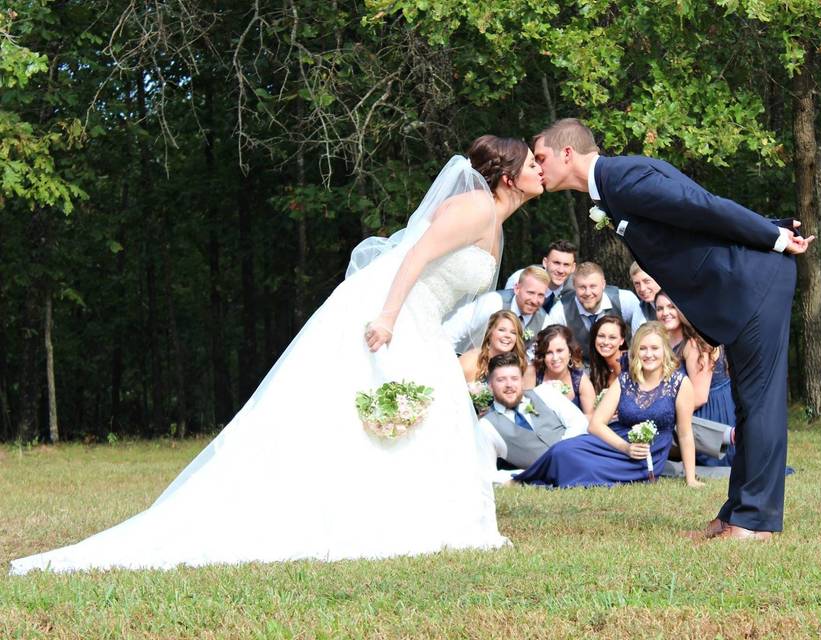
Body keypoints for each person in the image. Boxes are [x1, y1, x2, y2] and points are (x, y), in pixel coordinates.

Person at [10, 135, 544, 574]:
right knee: (369, 413)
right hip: (394, 311)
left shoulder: (495, 222)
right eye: (532, 165)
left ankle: (422, 518)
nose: (539, 172)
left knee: (431, 416)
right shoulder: (473, 207)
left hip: (421, 321)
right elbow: (415, 257)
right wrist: (385, 318)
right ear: (506, 174)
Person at [533, 118, 814, 541]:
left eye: (541, 158)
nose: (537, 168)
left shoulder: (623, 179)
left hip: (753, 281)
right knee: (748, 403)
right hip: (739, 288)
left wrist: (771, 234)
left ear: (566, 154)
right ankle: (736, 512)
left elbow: (700, 205)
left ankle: (755, 522)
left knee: (761, 403)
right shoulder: (613, 186)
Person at [513, 322, 703, 488]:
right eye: (643, 348)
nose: (649, 354)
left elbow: (685, 434)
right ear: (636, 351)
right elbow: (595, 424)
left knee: (588, 469)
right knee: (563, 450)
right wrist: (625, 447)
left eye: (655, 348)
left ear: (665, 350)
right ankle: (523, 479)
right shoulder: (626, 380)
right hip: (616, 443)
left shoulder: (679, 383)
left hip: (645, 456)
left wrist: (690, 478)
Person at [655, 290, 735, 467]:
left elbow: (699, 397)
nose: (665, 313)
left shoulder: (696, 343)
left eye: (671, 307)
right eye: (659, 308)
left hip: (710, 410)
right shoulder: (664, 341)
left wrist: (661, 413)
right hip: (684, 407)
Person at [476, 352, 588, 470]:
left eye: (514, 379)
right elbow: (487, 472)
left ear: (522, 381)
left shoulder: (545, 392)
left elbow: (580, 423)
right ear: (490, 386)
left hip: (583, 455)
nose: (509, 385)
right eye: (501, 380)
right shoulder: (487, 426)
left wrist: (560, 452)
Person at [544, 261, 646, 352]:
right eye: (582, 287)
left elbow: (644, 332)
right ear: (574, 286)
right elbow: (549, 346)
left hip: (620, 364)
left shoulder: (624, 299)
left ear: (603, 284)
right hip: (581, 367)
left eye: (593, 286)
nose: (588, 293)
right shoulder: (560, 310)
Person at [444, 266, 550, 353]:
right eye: (530, 293)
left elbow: (533, 361)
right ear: (517, 289)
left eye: (540, 295)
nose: (535, 300)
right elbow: (452, 331)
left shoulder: (544, 322)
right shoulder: (493, 302)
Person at [522, 325, 596, 418]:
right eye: (549, 352)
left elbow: (592, 417)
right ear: (542, 355)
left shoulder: (580, 380)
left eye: (559, 350)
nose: (555, 358)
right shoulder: (532, 373)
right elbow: (525, 413)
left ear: (570, 351)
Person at [503, 240, 578, 312]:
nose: (561, 270)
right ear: (545, 262)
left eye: (566, 265)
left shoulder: (577, 290)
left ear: (573, 268)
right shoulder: (521, 278)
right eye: (556, 263)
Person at [459, 309, 526, 384]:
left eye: (513, 333)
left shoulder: (516, 366)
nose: (507, 335)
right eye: (501, 330)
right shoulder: (472, 360)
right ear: (490, 332)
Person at [588, 315, 629, 396]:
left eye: (612, 337)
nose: (606, 342)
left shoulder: (629, 363)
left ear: (621, 341)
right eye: (601, 336)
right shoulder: (598, 367)